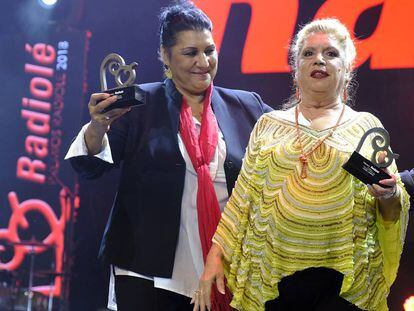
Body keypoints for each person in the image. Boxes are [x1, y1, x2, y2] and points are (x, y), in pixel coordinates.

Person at [65, 2, 272, 311]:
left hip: (223, 267)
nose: (203, 62)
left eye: (209, 50)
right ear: (165, 55)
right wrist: (99, 124)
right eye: (190, 53)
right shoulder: (138, 104)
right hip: (146, 270)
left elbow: (294, 142)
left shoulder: (246, 106)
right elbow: (90, 165)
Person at [194, 18, 410, 311]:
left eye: (331, 53)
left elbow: (392, 209)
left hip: (346, 284)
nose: (319, 59)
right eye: (308, 53)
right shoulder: (268, 125)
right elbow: (242, 199)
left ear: (347, 70)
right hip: (274, 279)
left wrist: (389, 195)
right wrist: (216, 255)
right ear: (296, 71)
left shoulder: (366, 127)